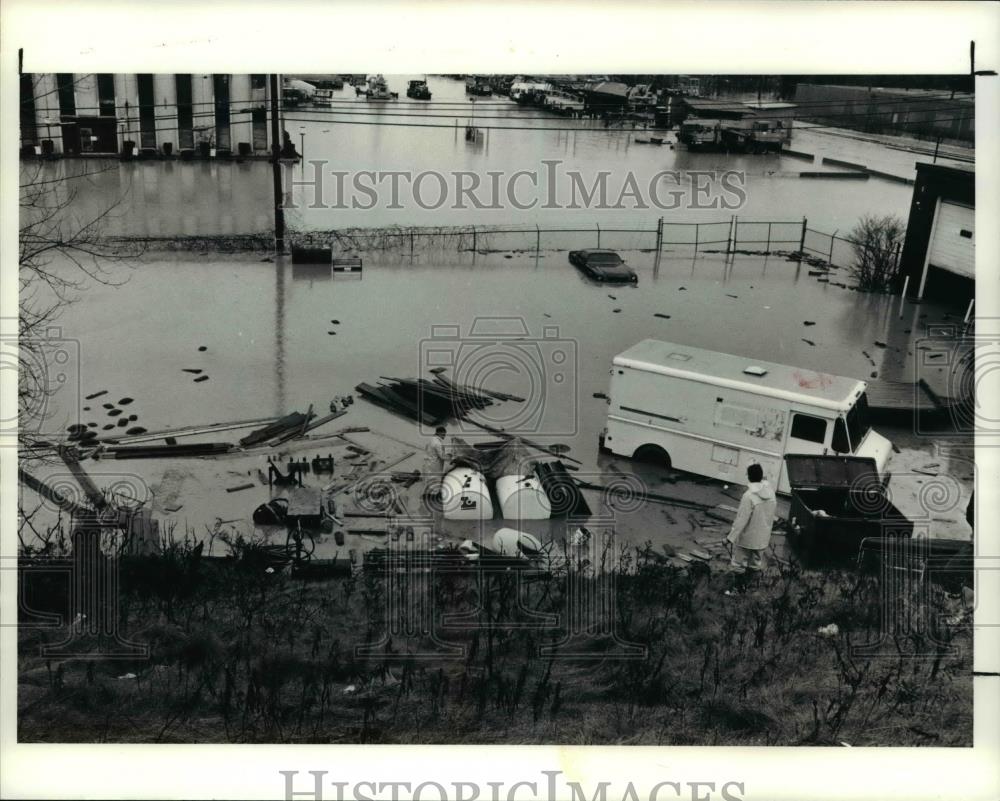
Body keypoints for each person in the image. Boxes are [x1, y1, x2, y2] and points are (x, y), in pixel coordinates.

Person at [726, 463, 778, 581]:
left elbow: (741, 520)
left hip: (747, 539)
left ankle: (737, 590)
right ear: (761, 476)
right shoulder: (771, 494)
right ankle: (750, 588)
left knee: (738, 564)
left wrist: (730, 538)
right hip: (762, 539)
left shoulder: (748, 496)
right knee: (755, 564)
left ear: (749, 477)